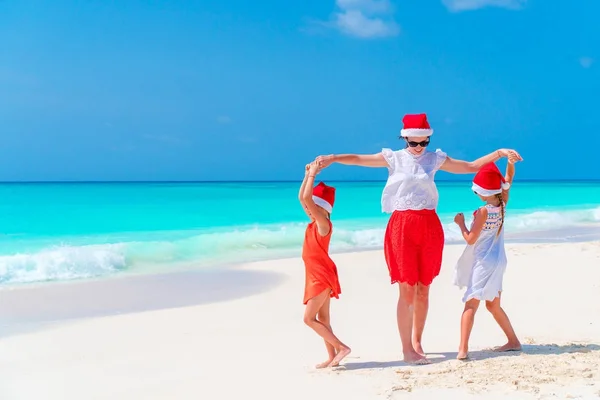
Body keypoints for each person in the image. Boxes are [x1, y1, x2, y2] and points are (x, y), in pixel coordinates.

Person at [314, 113, 522, 364]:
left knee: (423, 289)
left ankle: (417, 342)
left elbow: (470, 167)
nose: (419, 148)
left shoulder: (435, 159)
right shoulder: (393, 158)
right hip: (402, 226)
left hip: (429, 226)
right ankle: (406, 350)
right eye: (414, 143)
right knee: (407, 289)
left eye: (424, 142)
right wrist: (333, 158)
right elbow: (359, 159)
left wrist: (499, 153)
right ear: (405, 139)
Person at [453, 160, 521, 360]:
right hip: (498, 260)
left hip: (484, 261)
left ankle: (462, 349)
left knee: (470, 305)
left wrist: (461, 223)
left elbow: (470, 239)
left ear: (482, 191)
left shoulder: (483, 211)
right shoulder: (502, 203)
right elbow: (508, 180)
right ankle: (513, 341)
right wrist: (510, 162)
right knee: (493, 305)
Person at [298, 161, 351, 368]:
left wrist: (312, 174)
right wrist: (306, 175)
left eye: (313, 206)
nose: (308, 209)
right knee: (323, 318)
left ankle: (342, 348)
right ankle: (331, 358)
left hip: (321, 276)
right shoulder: (314, 222)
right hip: (314, 274)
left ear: (322, 208)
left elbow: (305, 198)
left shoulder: (323, 224)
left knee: (309, 319)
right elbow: (301, 198)